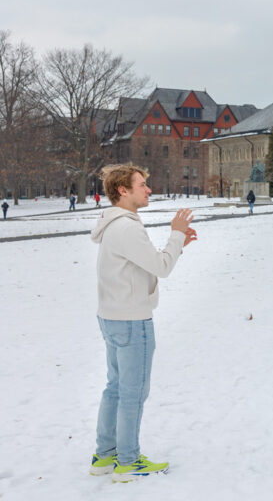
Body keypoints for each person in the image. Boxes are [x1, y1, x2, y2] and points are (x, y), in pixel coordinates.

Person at [88, 164, 197, 481]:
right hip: (132, 321)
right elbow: (161, 268)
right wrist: (176, 232)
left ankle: (105, 456)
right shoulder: (127, 227)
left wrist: (177, 245)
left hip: (111, 317)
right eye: (142, 184)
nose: (148, 189)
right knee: (132, 393)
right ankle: (127, 462)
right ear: (123, 190)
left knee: (115, 389)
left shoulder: (114, 225)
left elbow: (145, 263)